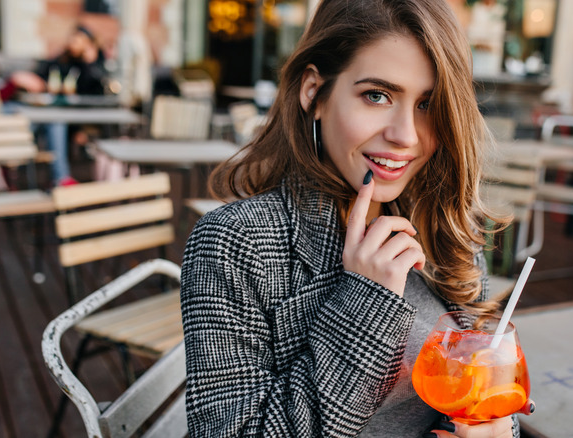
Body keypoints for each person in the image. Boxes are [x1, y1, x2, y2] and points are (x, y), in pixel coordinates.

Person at [180, 0, 534, 437]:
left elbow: (486, 390)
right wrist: (366, 302)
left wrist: (498, 428)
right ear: (314, 93)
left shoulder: (446, 227)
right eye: (377, 95)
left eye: (428, 104)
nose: (405, 135)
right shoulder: (237, 244)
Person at [34, 25, 108, 186]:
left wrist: (90, 61)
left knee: (56, 123)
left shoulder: (91, 64)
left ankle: (59, 177)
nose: (74, 43)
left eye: (79, 41)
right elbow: (43, 74)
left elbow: (95, 92)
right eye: (73, 39)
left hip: (81, 118)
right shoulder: (62, 61)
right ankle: (58, 178)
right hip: (55, 112)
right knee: (53, 122)